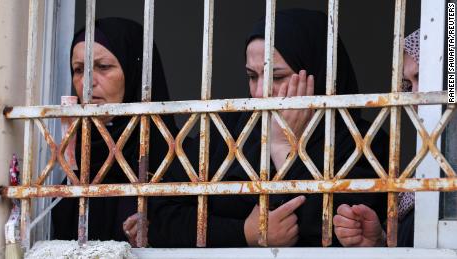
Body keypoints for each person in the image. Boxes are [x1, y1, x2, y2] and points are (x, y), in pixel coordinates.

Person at [142, 9, 388, 248]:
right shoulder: (225, 131)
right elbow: (157, 218)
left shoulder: (362, 142)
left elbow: (344, 233)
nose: (259, 92)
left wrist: (281, 149)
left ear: (320, 73)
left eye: (277, 77)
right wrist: (243, 233)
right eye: (252, 76)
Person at [51, 17, 178, 246]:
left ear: (135, 70)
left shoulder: (175, 161)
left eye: (103, 67)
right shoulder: (75, 163)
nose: (88, 83)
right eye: (79, 70)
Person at [333, 29, 420, 247]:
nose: (416, 96)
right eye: (408, 85)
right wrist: (380, 242)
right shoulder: (428, 167)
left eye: (422, 76)